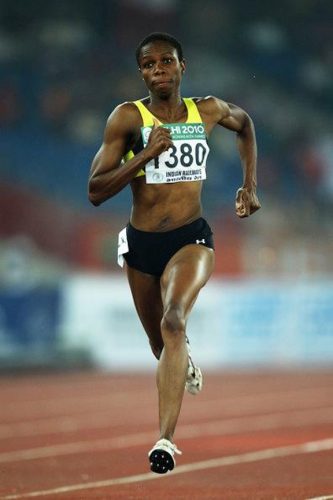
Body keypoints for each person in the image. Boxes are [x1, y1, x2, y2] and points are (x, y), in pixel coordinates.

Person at [88, 32, 261, 474]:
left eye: (167, 62)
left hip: (191, 237)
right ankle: (182, 359)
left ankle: (165, 439)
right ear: (141, 73)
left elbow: (245, 125)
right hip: (142, 244)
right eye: (149, 65)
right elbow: (95, 191)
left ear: (184, 68)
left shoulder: (207, 110)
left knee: (174, 320)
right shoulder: (127, 117)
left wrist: (250, 184)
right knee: (158, 342)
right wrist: (145, 154)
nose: (159, 70)